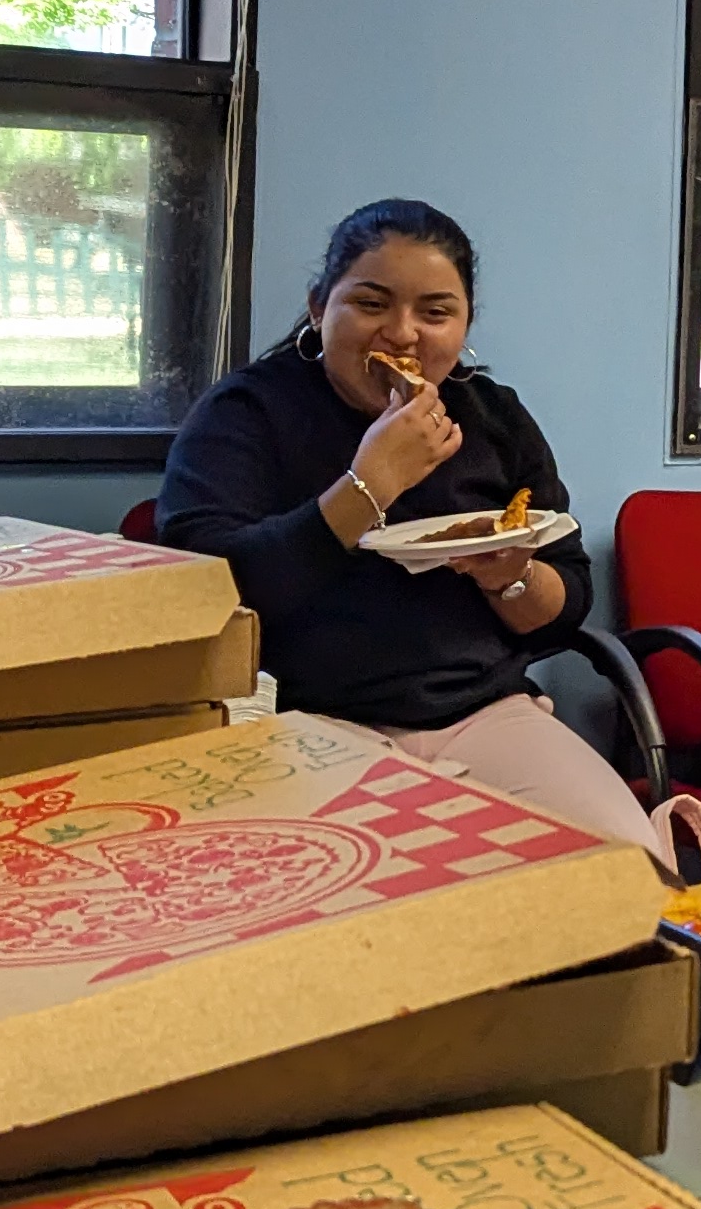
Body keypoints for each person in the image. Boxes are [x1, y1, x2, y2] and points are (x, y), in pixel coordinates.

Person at [158, 198, 671, 858]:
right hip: (308, 724)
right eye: (371, 304)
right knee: (408, 904)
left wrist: (511, 576)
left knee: (637, 878)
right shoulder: (248, 412)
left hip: (486, 715)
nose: (402, 335)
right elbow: (206, 586)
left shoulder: (492, 416)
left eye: (435, 312)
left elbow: (564, 605)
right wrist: (369, 486)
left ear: (464, 327)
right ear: (320, 307)